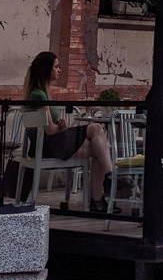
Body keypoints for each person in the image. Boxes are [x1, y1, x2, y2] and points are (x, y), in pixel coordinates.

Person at [23, 51, 114, 212]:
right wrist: (61, 127)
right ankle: (107, 182)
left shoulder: (38, 93)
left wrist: (59, 125)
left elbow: (47, 126)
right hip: (51, 145)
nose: (59, 70)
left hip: (48, 144)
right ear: (47, 70)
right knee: (97, 130)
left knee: (99, 149)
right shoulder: (39, 95)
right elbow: (51, 130)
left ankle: (100, 197)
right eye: (56, 67)